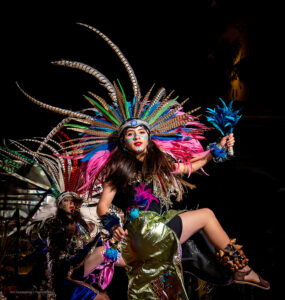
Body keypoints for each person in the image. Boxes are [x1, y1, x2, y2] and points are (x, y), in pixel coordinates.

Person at [17, 23, 270, 299]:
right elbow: (103, 206)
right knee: (206, 215)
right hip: (146, 229)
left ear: (150, 139)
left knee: (176, 266)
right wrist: (115, 227)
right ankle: (241, 269)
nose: (136, 136)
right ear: (122, 142)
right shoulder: (120, 168)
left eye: (141, 132)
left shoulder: (157, 164)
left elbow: (188, 167)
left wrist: (216, 150)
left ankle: (227, 273)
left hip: (153, 232)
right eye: (129, 134)